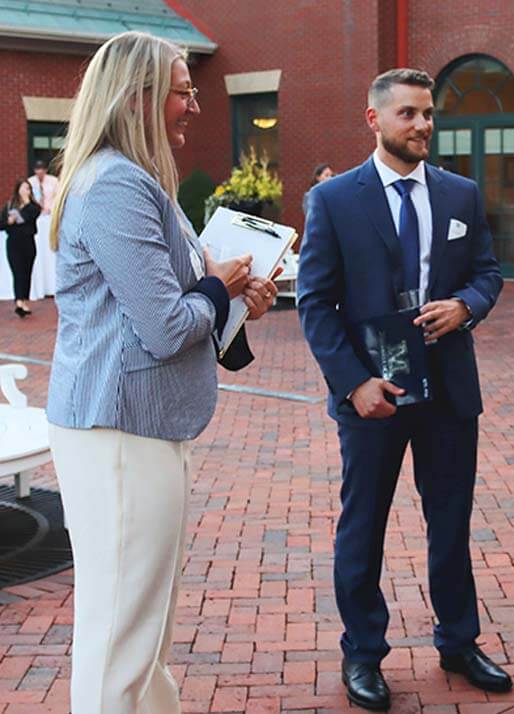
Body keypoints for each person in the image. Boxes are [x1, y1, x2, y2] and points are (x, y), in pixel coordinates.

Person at [46, 31, 279, 713]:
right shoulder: (117, 184)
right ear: (140, 97)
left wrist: (233, 298)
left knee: (140, 629)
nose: (194, 106)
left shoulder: (135, 178)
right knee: (122, 635)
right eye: (184, 90)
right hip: (118, 433)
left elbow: (178, 303)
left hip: (134, 428)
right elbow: (168, 324)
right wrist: (218, 291)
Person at [297, 68, 509, 711]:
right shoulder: (333, 201)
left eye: (427, 114)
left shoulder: (461, 194)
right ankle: (362, 653)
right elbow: (314, 303)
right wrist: (355, 383)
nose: (422, 125)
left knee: (450, 522)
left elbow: (488, 272)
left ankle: (458, 641)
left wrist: (466, 307)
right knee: (363, 526)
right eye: (408, 114)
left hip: (448, 389)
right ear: (375, 119)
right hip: (373, 394)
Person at [5, 178, 42, 316]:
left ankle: (24, 301)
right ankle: (19, 302)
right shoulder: (10, 205)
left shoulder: (33, 206)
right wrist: (9, 222)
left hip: (28, 242)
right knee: (17, 271)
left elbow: (32, 214)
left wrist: (26, 204)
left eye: (28, 188)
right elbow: (2, 223)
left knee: (26, 272)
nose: (26, 191)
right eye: (23, 188)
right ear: (17, 190)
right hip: (13, 242)